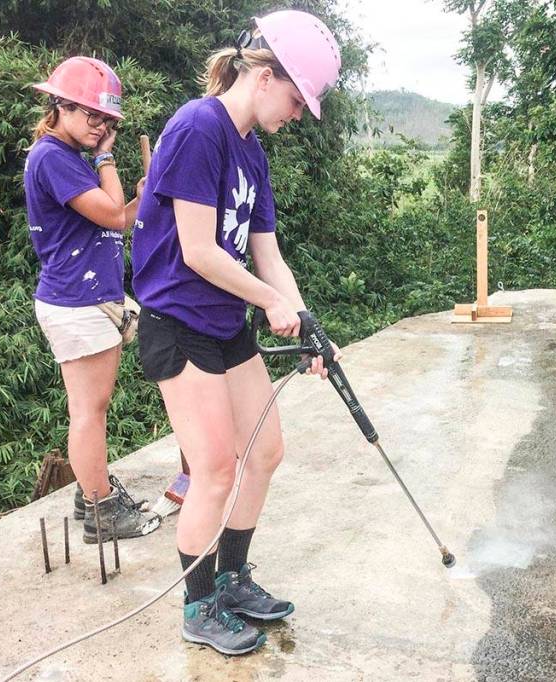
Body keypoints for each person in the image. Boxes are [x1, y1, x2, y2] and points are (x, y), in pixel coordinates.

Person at [131, 10, 341, 655]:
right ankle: (198, 607)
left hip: (224, 323)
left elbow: (267, 253)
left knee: (266, 450)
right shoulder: (199, 128)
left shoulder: (251, 151)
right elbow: (197, 250)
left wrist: (304, 322)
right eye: (298, 99)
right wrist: (271, 301)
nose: (300, 115)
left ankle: (232, 577)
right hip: (177, 321)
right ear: (264, 74)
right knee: (216, 468)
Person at [25, 57, 159, 544]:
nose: (100, 126)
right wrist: (107, 159)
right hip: (76, 301)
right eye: (90, 114)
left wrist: (141, 196)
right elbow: (111, 216)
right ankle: (102, 511)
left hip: (88, 296)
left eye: (106, 119)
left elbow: (117, 214)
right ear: (59, 106)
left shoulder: (65, 157)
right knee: (89, 411)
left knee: (92, 406)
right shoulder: (52, 158)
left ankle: (90, 492)